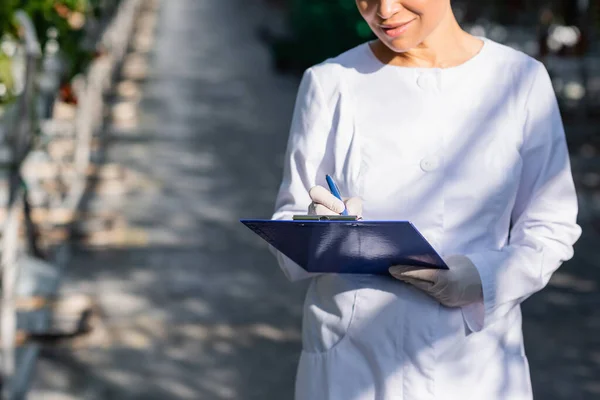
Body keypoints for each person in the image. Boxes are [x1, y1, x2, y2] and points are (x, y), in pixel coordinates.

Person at [270, 1, 582, 399]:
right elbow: (289, 223)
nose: (383, 10)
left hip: (472, 367)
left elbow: (551, 226)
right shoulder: (330, 81)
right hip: (353, 365)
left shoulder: (520, 79)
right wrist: (316, 228)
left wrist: (482, 279)